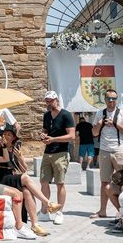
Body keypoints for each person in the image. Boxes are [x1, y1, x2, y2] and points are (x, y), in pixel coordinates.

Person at [0, 123, 62, 236]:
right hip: (2, 179)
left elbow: (24, 169)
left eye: (9, 134)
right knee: (26, 178)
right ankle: (47, 203)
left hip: (12, 179)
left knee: (27, 192)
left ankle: (35, 225)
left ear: (13, 137)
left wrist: (21, 158)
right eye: (4, 134)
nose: (6, 136)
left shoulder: (14, 149)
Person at [90, 89, 123, 219]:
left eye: (114, 98)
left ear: (117, 99)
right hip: (104, 150)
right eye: (109, 99)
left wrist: (115, 124)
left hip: (119, 150)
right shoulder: (99, 113)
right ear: (105, 100)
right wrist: (100, 123)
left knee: (122, 181)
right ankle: (102, 211)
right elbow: (94, 133)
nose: (112, 101)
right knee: (104, 182)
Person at [39, 90, 75, 225]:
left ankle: (59, 212)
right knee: (43, 182)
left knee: (60, 183)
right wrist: (43, 135)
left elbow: (71, 136)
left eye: (50, 101)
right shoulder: (46, 115)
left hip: (61, 153)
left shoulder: (66, 115)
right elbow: (45, 130)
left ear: (56, 100)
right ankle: (44, 210)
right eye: (47, 101)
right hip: (47, 152)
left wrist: (53, 139)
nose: (48, 103)